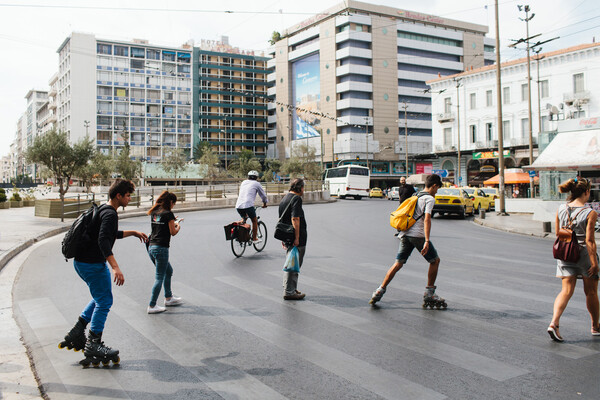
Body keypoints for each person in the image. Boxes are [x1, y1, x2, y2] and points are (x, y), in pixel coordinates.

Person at [59, 179, 147, 364]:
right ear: (119, 195)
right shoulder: (110, 214)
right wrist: (115, 267)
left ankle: (78, 329)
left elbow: (108, 234)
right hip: (92, 264)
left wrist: (132, 232)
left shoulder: (103, 209)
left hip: (82, 262)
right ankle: (94, 344)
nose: (130, 199)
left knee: (100, 296)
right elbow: (103, 241)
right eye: (128, 195)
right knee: (105, 300)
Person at [370, 174, 446, 308]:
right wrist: (427, 240)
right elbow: (427, 219)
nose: (436, 192)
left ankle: (379, 291)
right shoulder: (429, 199)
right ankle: (429, 293)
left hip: (405, 234)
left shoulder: (416, 195)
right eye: (437, 189)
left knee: (398, 263)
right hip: (418, 236)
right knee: (435, 261)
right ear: (434, 186)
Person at [548, 177, 599, 342]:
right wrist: (595, 263)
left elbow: (558, 233)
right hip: (584, 254)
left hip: (565, 253)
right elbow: (590, 241)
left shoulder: (561, 209)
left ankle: (554, 323)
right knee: (591, 292)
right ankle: (595, 326)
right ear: (586, 192)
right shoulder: (590, 213)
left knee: (566, 291)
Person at [146, 190, 184, 314]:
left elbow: (160, 227)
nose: (173, 206)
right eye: (174, 203)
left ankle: (169, 297)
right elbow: (173, 232)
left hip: (151, 247)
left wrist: (173, 221)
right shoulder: (168, 214)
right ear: (171, 202)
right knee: (159, 277)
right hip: (161, 248)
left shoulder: (155, 212)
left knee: (169, 271)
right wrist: (178, 226)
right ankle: (152, 305)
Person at [279, 178, 307, 300]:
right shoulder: (296, 199)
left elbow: (282, 219)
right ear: (300, 188)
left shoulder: (285, 198)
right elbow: (295, 218)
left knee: (290, 263)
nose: (303, 190)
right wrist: (297, 237)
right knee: (294, 264)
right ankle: (289, 292)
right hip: (296, 237)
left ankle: (290, 288)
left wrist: (284, 237)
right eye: (303, 188)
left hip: (287, 235)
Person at [235, 170, 268, 243]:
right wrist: (265, 204)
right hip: (248, 205)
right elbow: (263, 195)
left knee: (244, 219)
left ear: (248, 177)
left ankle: (241, 234)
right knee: (254, 221)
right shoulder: (257, 184)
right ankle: (254, 238)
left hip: (239, 205)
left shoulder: (243, 182)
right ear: (256, 177)